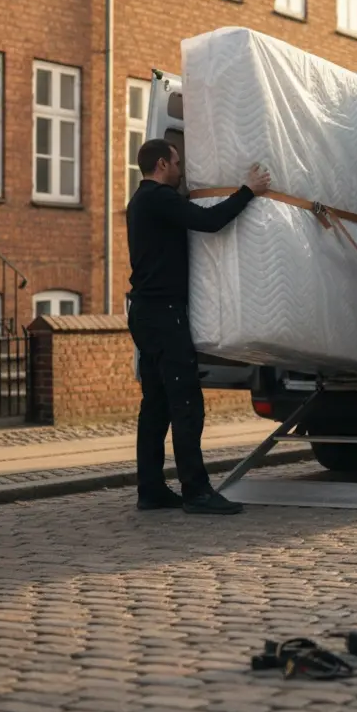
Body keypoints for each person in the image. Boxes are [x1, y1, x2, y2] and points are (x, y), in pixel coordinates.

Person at [126, 138, 271, 515]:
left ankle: (151, 489)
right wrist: (248, 192)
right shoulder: (159, 200)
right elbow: (210, 222)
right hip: (164, 314)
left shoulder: (142, 201)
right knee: (185, 402)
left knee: (156, 405)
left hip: (146, 313)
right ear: (161, 165)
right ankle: (197, 490)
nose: (181, 169)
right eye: (176, 162)